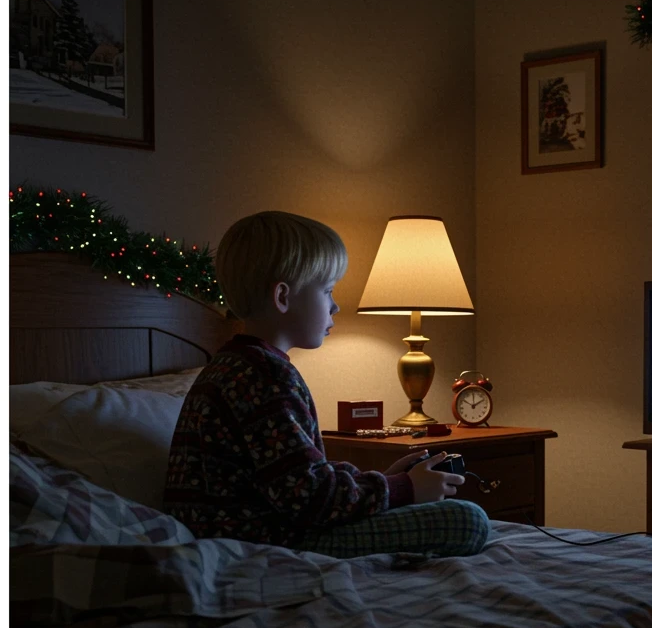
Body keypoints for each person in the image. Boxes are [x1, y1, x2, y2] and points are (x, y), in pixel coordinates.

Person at [164, 210, 490, 559]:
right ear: (283, 297)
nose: (335, 305)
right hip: (267, 543)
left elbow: (293, 476)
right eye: (327, 290)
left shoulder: (230, 367)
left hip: (249, 532)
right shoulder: (265, 377)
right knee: (468, 521)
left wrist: (381, 481)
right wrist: (403, 489)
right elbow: (308, 499)